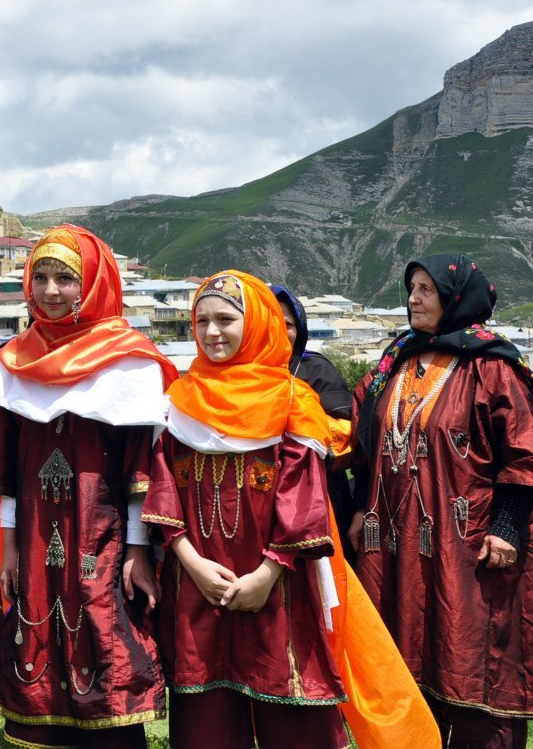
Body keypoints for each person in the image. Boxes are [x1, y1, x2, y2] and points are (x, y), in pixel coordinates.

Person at [0, 226, 175, 748]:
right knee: (37, 646)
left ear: (95, 284)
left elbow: (139, 468)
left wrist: (137, 548)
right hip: (38, 541)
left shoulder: (129, 361)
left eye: (66, 278)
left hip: (103, 540)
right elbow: (8, 469)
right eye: (39, 277)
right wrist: (11, 545)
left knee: (105, 639)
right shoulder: (14, 360)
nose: (49, 290)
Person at [141, 270, 348, 749]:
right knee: (206, 719)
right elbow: (162, 488)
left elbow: (303, 494)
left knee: (290, 711)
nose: (212, 332)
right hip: (196, 583)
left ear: (255, 323)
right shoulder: (178, 401)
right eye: (202, 321)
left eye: (226, 320)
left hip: (277, 586)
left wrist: (267, 574)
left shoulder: (292, 399)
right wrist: (191, 564)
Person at [347, 254, 533, 748]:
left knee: (468, 651)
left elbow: (524, 450)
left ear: (455, 297)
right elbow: (359, 437)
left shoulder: (493, 367)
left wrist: (509, 527)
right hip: (391, 542)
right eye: (411, 288)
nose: (413, 299)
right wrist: (359, 506)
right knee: (401, 647)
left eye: (426, 290)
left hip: (469, 543)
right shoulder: (395, 361)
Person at [271, 284, 357, 552]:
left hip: (319, 497)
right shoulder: (231, 373)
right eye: (270, 319)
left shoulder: (316, 369)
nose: (280, 330)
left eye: (288, 323)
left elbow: (348, 436)